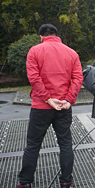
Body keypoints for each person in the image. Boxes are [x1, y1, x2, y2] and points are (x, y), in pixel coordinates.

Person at [18, 24, 83, 188]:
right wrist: (69, 100)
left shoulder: (34, 51)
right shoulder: (72, 53)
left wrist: (48, 99)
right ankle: (66, 180)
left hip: (41, 107)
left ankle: (25, 182)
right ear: (56, 35)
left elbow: (34, 78)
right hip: (63, 107)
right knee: (65, 144)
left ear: (41, 36)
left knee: (33, 145)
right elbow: (78, 79)